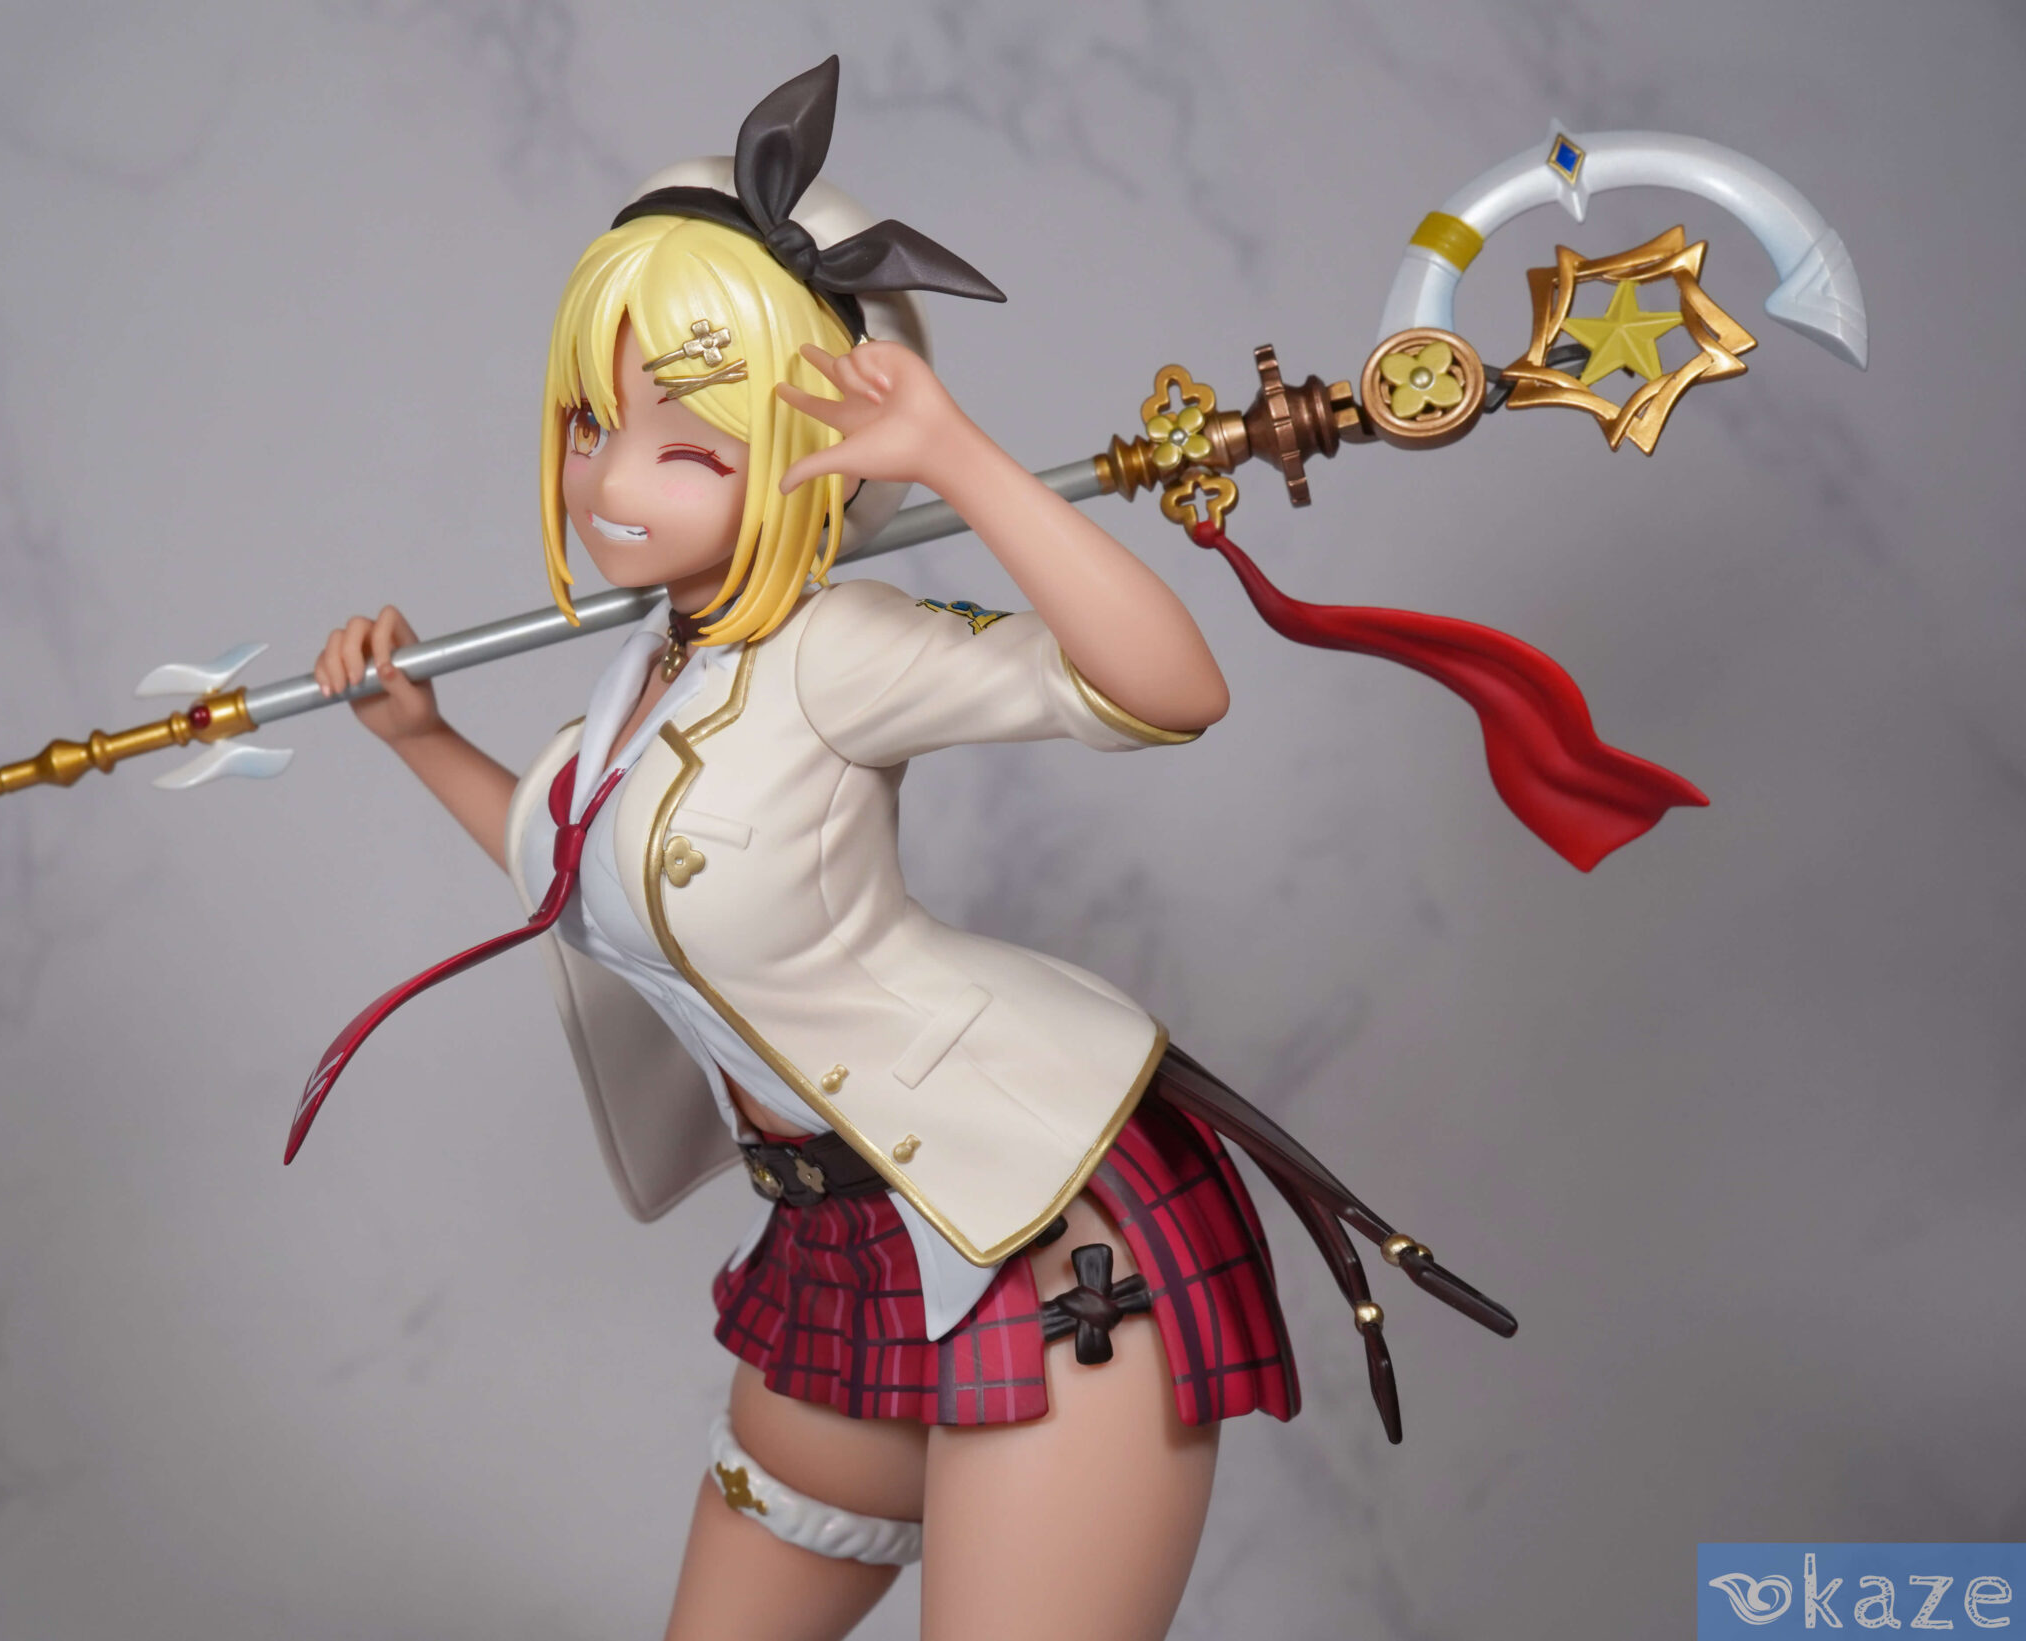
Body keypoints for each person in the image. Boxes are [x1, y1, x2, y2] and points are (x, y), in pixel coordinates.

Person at [304, 57, 1503, 1641]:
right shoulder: (655, 667)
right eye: (592, 423)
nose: (606, 482)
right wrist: (421, 738)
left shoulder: (839, 649)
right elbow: (581, 866)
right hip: (838, 1235)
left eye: (686, 444)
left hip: (1041, 1233)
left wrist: (957, 458)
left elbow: (1168, 689)